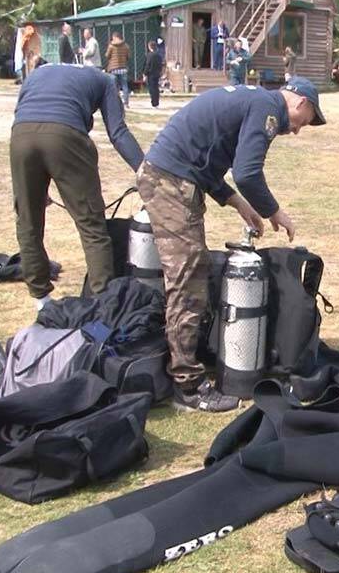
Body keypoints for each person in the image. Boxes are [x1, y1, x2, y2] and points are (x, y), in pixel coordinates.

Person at [137, 77, 326, 412]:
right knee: (189, 280)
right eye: (304, 122)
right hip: (169, 182)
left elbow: (207, 160)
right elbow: (248, 172)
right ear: (301, 103)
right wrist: (275, 213)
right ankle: (188, 386)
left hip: (173, 177)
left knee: (192, 272)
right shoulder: (268, 109)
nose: (296, 130)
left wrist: (238, 204)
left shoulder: (252, 100)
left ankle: (187, 358)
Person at [10, 64, 144, 311]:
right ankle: (101, 303)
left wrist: (37, 181)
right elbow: (118, 132)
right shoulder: (104, 80)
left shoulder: (38, 72)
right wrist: (144, 170)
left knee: (28, 221)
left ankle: (41, 299)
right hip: (66, 135)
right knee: (92, 225)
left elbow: (23, 113)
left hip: (21, 135)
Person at [105, 31, 130, 107]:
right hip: (123, 68)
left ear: (115, 37)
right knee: (124, 86)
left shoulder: (111, 46)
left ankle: (115, 102)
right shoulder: (126, 46)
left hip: (113, 68)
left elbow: (107, 56)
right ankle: (126, 103)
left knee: (114, 86)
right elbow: (128, 57)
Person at [145, 40, 163, 108]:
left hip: (151, 74)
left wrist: (145, 73)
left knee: (151, 88)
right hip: (157, 73)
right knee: (156, 88)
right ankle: (157, 102)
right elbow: (160, 65)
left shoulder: (149, 55)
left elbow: (148, 65)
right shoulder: (159, 55)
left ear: (150, 47)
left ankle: (153, 102)